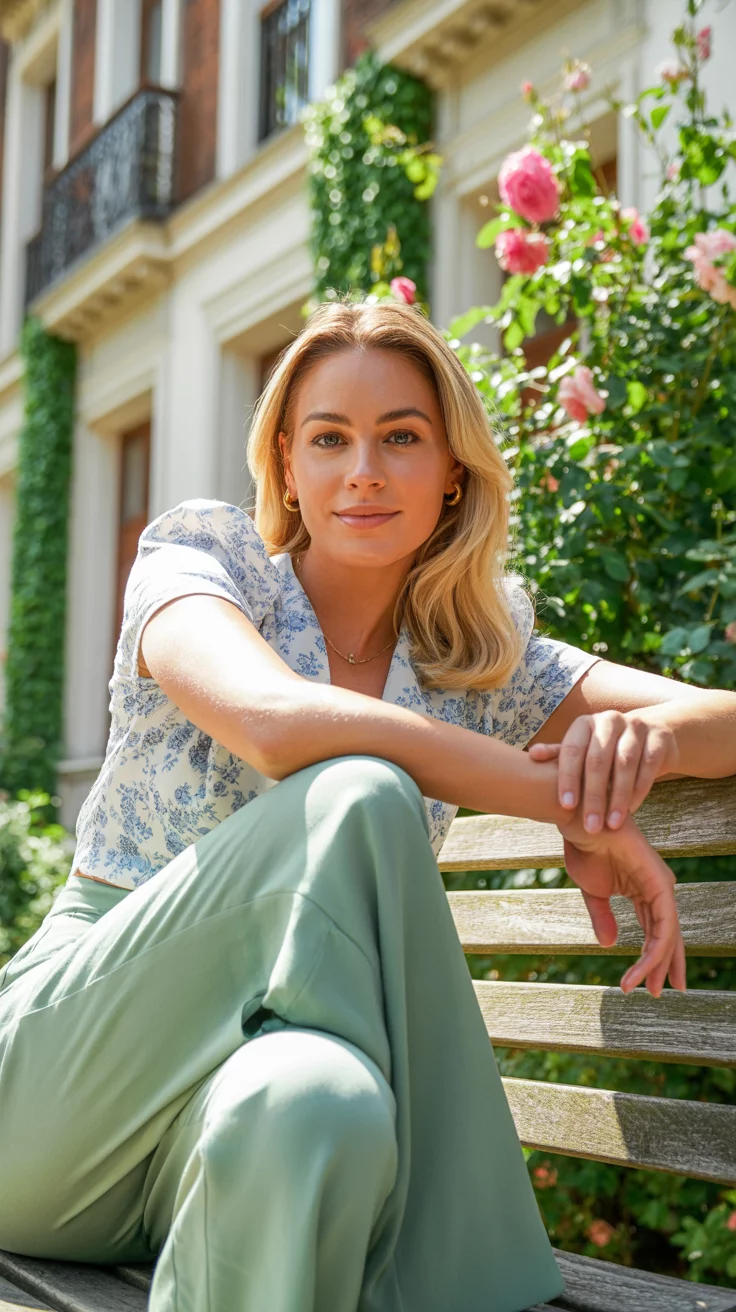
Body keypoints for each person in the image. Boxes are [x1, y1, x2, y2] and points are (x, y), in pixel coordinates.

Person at [0, 298, 734, 1312]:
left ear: (452, 475)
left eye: (401, 438)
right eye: (329, 438)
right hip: (54, 1099)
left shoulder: (469, 655)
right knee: (356, 788)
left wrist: (643, 740)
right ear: (287, 468)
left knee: (318, 1105)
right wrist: (563, 801)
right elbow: (274, 721)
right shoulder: (204, 561)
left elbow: (721, 721)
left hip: (209, 1141)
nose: (364, 471)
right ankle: (479, 1282)